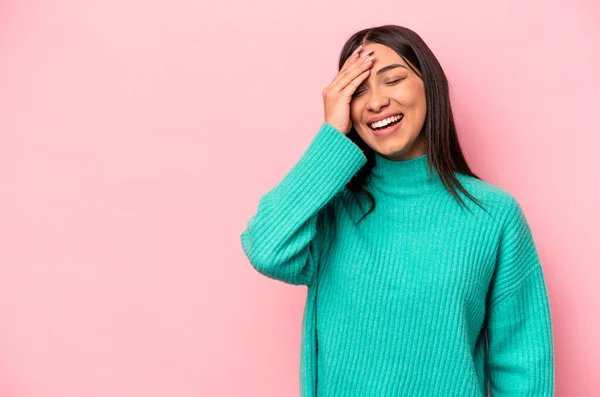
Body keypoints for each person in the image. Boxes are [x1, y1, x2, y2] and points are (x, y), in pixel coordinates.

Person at [240, 24, 555, 397]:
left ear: (429, 86)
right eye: (357, 91)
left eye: (392, 80)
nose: (375, 102)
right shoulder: (331, 211)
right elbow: (266, 249)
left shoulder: (494, 215)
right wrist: (331, 136)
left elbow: (524, 367)